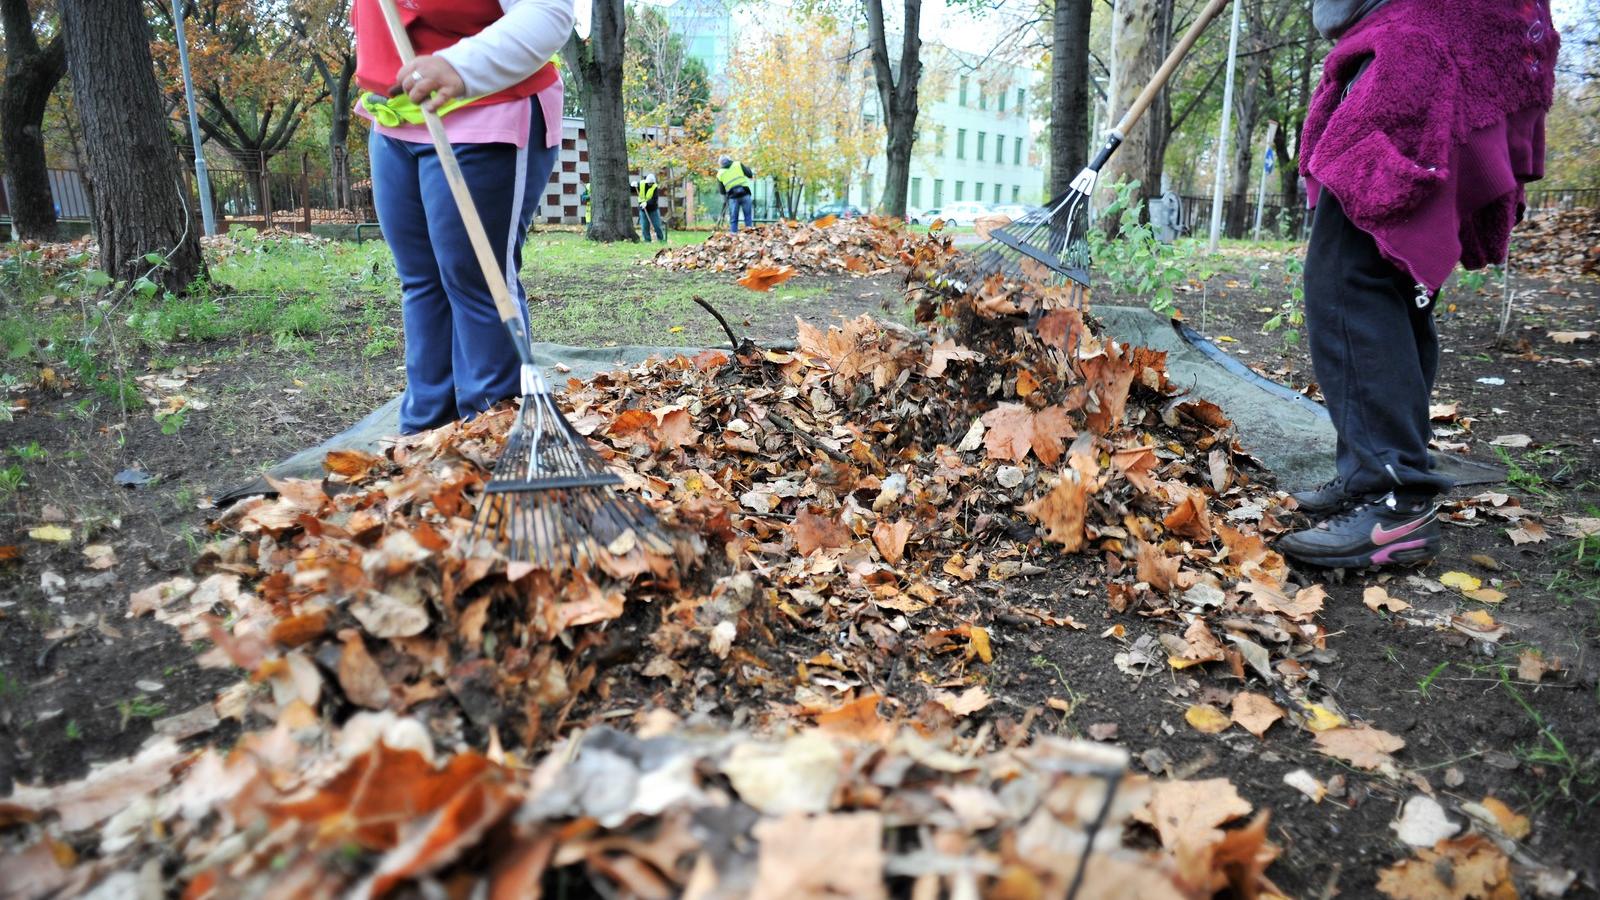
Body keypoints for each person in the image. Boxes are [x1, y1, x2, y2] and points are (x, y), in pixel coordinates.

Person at [1278, 0, 1558, 568]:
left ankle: (1395, 503)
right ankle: (1374, 474)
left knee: (1348, 274)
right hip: (1480, 42)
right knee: (1391, 270)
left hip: (1427, 41)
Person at [351, 0, 574, 434]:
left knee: (475, 280)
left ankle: (490, 431)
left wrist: (458, 66)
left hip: (486, 109)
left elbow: (548, 11)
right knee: (421, 280)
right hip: (394, 118)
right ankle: (425, 430)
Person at [716, 155, 755, 233]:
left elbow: (722, 191)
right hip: (745, 194)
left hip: (732, 198)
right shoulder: (738, 164)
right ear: (730, 160)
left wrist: (725, 200)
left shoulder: (719, 173)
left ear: (720, 164)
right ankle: (750, 237)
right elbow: (750, 174)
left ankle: (734, 237)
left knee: (733, 220)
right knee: (748, 217)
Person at [637, 173, 666, 243]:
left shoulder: (654, 187)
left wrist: (646, 203)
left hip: (653, 209)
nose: (650, 184)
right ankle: (647, 240)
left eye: (652, 183)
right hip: (643, 209)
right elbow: (632, 189)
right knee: (644, 226)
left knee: (657, 225)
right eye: (649, 183)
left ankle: (661, 239)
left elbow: (654, 199)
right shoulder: (641, 184)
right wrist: (633, 185)